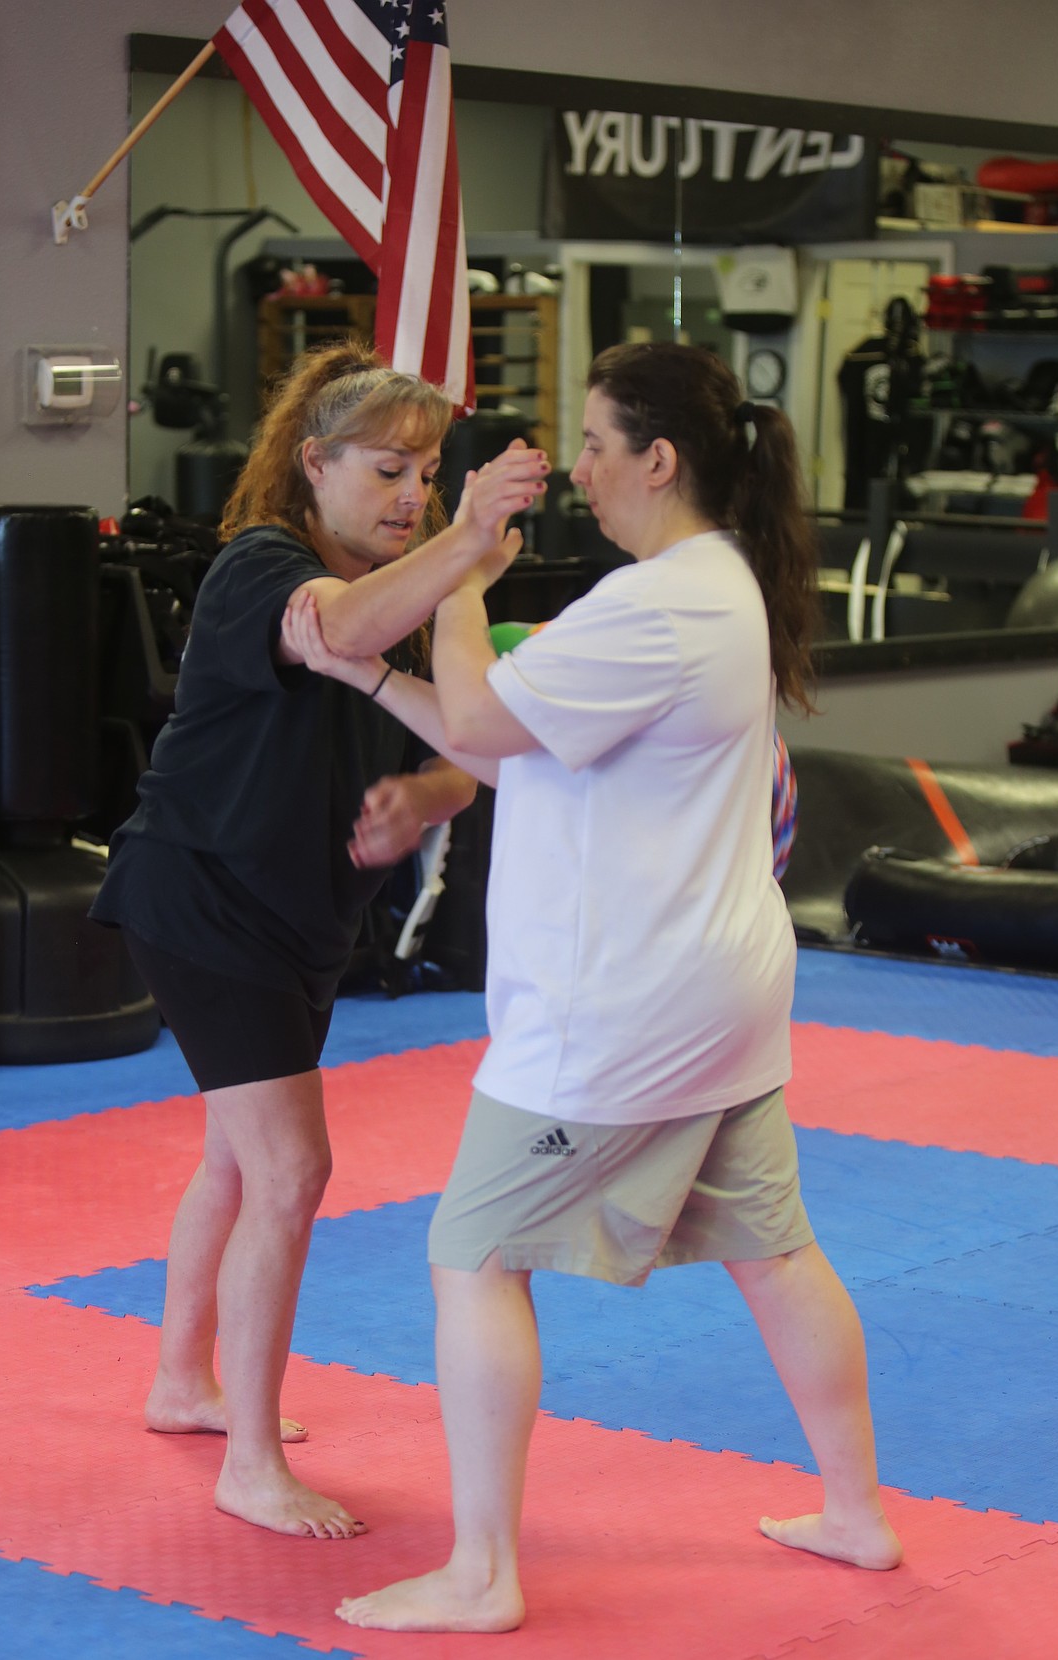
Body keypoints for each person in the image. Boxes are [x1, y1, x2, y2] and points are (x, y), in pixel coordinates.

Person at [294, 339, 903, 1630]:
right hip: (719, 996)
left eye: (589, 443)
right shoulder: (714, 586)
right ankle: (853, 1512)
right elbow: (531, 758)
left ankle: (482, 1574)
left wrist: (461, 559)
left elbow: (479, 720)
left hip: (621, 1013)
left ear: (656, 460)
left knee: (471, 1255)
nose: (573, 468)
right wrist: (365, 672)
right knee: (772, 1249)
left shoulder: (660, 603)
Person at [89, 340, 549, 1540]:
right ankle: (249, 1457)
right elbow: (332, 627)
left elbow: (476, 747)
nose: (412, 492)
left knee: (239, 1161)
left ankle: (183, 1381)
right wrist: (467, 546)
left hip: (302, 916)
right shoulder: (264, 565)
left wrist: (425, 796)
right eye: (389, 468)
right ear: (315, 464)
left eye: (430, 471)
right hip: (201, 898)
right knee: (294, 1169)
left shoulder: (418, 592)